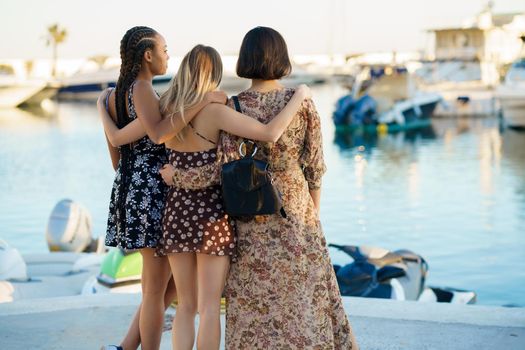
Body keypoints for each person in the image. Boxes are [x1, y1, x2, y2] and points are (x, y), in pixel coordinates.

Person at [156, 44, 311, 350]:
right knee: (210, 307)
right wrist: (299, 97)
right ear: (214, 73)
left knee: (185, 306)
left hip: (176, 213)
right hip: (211, 215)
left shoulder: (168, 109)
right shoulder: (216, 111)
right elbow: (269, 133)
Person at [219, 27, 359, 349]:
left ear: (245, 59)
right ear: (281, 58)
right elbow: (315, 166)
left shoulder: (233, 105)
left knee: (256, 297)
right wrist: (314, 213)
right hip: (296, 205)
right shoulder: (302, 102)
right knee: (305, 295)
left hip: (250, 210)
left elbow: (224, 163)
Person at [97, 27, 226, 350]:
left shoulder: (114, 96)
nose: (169, 56)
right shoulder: (142, 89)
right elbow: (158, 134)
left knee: (168, 287)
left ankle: (126, 346)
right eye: (165, 50)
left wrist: (103, 114)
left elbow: (116, 154)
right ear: (148, 55)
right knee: (155, 290)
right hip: (153, 191)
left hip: (129, 189)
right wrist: (201, 101)